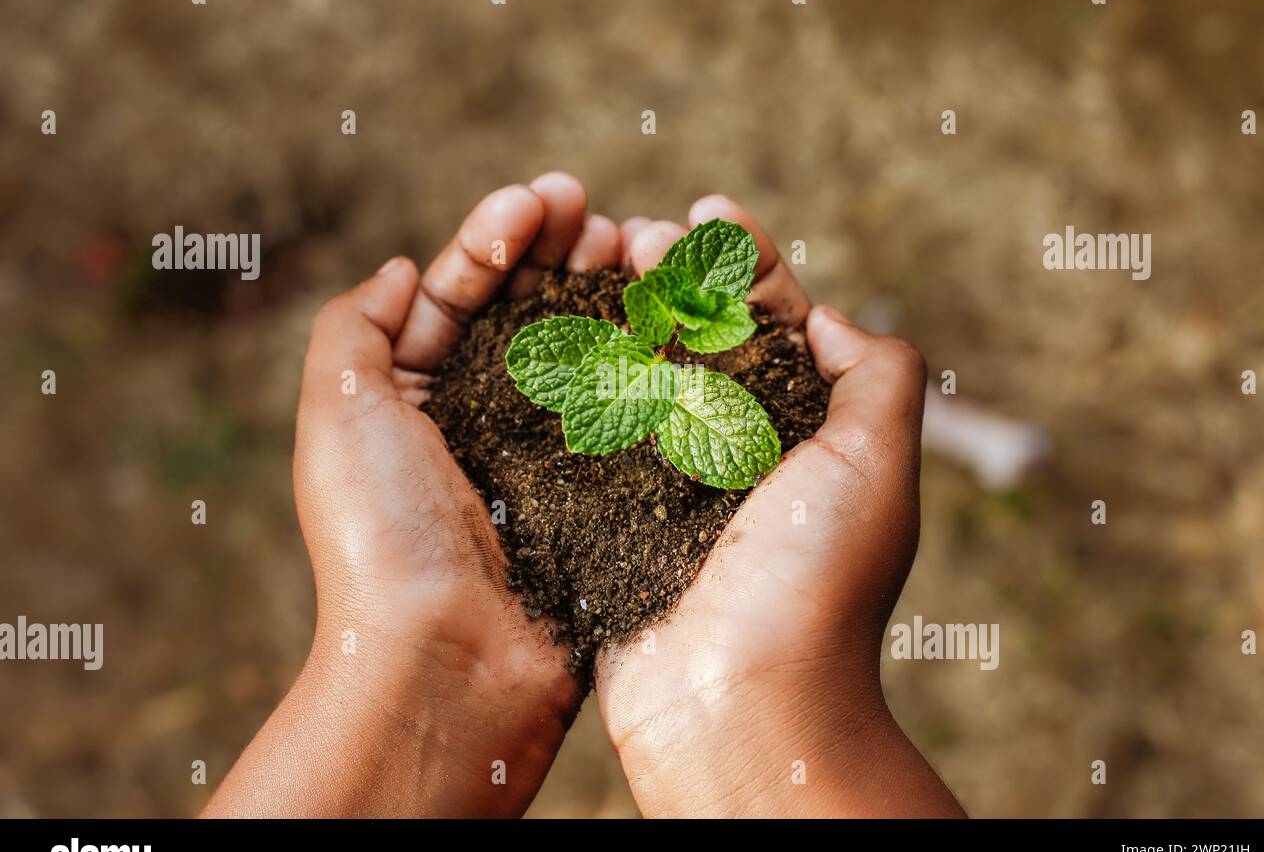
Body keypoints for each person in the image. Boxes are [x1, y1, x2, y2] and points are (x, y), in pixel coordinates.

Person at [201, 173, 965, 818]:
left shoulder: (679, 352)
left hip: (653, 387)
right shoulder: (612, 358)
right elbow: (596, 402)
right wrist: (756, 717)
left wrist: (413, 673)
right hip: (627, 377)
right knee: (600, 388)